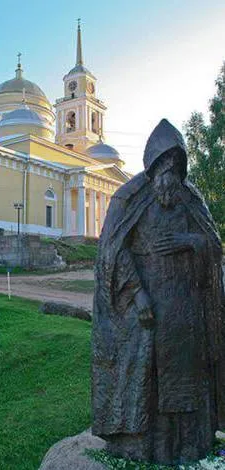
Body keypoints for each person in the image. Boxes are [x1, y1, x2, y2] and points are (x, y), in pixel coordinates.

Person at [92, 119, 225, 465]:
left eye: (176, 168)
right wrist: (137, 295)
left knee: (186, 379)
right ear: (152, 166)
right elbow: (112, 250)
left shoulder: (190, 197)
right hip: (148, 308)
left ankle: (190, 447)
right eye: (164, 168)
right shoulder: (129, 196)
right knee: (147, 381)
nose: (171, 177)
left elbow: (212, 244)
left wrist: (188, 241)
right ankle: (144, 448)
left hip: (186, 309)